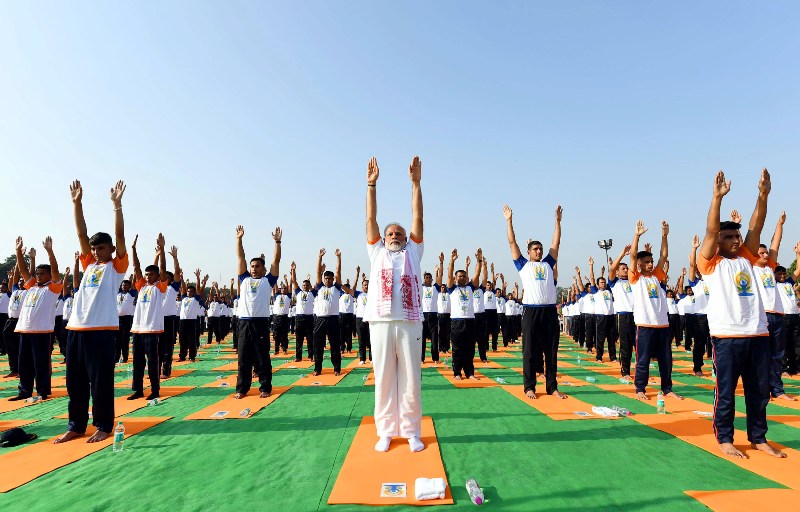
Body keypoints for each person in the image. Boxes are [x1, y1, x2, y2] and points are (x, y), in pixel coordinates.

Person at [697, 169, 785, 458]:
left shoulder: (747, 257)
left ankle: (758, 438)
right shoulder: (710, 263)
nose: (736, 240)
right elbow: (711, 231)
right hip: (727, 337)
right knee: (725, 393)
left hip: (757, 334)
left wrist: (763, 195)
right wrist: (717, 198)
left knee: (759, 393)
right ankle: (725, 438)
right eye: (729, 237)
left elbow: (756, 226)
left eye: (736, 235)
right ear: (718, 242)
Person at [54, 179, 128, 444]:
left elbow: (120, 236)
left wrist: (117, 206)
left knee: (100, 382)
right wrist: (77, 203)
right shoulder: (89, 265)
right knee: (75, 382)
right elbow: (81, 235)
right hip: (76, 328)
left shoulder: (116, 267)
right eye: (94, 249)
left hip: (101, 331)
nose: (96, 252)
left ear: (111, 250)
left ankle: (104, 425)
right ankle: (76, 425)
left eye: (101, 248)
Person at [364, 155, 425, 453]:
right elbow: (370, 220)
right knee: (384, 379)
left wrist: (416, 184)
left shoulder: (414, 252)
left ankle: (412, 431)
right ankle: (386, 431)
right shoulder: (376, 253)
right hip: (381, 322)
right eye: (390, 233)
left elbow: (418, 219)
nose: (394, 236)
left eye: (399, 233)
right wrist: (371, 186)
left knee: (411, 379)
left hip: (410, 322)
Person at [503, 204, 565, 399]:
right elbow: (512, 242)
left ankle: (552, 387)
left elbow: (556, 243)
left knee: (551, 351)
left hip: (549, 312)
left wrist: (557, 222)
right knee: (529, 351)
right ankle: (529, 387)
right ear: (529, 252)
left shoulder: (548, 263)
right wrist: (509, 221)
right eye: (535, 249)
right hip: (531, 311)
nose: (539, 252)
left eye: (540, 249)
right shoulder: (523, 265)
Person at [628, 220, 682, 402]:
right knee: (643, 360)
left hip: (663, 325)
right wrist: (637, 236)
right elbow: (633, 255)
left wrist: (664, 236)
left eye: (651, 262)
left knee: (666, 360)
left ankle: (667, 388)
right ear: (639, 265)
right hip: (645, 325)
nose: (651, 264)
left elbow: (664, 255)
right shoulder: (636, 278)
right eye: (647, 262)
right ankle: (640, 388)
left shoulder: (657, 276)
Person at [11, 236, 63, 401]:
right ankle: (24, 391)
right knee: (24, 363)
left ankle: (42, 391)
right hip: (25, 330)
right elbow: (23, 270)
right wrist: (18, 252)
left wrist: (49, 251)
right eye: (37, 274)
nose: (38, 276)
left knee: (41, 363)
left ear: (49, 275)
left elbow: (55, 270)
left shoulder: (53, 288)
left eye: (42, 274)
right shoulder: (32, 286)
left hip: (42, 332)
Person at [751, 212, 795, 401]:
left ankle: (777, 390)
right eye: (761, 253)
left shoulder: (770, 268)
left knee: (777, 355)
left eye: (765, 253)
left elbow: (775, 244)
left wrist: (780, 224)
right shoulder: (751, 268)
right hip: (762, 316)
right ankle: (761, 390)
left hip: (778, 316)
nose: (765, 255)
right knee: (762, 356)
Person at [234, 225, 281, 399]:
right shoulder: (244, 279)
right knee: (243, 359)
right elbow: (240, 257)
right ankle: (242, 389)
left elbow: (276, 261)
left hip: (260, 323)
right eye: (252, 266)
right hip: (244, 323)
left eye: (257, 266)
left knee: (262, 358)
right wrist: (239, 239)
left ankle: (265, 388)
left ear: (263, 269)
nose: (254, 268)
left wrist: (277, 242)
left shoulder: (268, 281)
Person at [128, 234, 169, 401]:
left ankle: (155, 390)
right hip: (138, 329)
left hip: (152, 330)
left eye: (151, 275)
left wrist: (162, 251)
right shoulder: (142, 287)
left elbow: (163, 268)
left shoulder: (160, 287)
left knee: (153, 362)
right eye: (146, 275)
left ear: (157, 276)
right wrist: (133, 249)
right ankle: (138, 389)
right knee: (137, 362)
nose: (147, 277)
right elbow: (136, 267)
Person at [312, 248, 344, 376]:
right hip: (320, 319)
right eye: (326, 278)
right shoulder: (319, 287)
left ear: (332, 279)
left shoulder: (336, 288)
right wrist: (320, 257)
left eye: (329, 279)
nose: (327, 280)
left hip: (333, 320)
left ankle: (337, 368)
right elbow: (317, 272)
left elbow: (338, 272)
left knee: (335, 345)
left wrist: (338, 258)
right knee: (318, 346)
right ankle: (317, 369)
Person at [775, 243, 800, 376]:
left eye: (784, 273)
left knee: (796, 343)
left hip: (795, 315)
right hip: (783, 316)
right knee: (783, 344)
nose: (783, 275)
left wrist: (798, 254)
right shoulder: (774, 285)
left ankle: (795, 367)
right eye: (779, 273)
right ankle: (783, 368)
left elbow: (798, 269)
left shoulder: (789, 283)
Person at [178, 270, 207, 362]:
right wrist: (181, 277)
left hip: (192, 321)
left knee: (192, 340)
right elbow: (183, 287)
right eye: (188, 291)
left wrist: (198, 277)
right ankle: (182, 356)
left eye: (191, 291)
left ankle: (192, 357)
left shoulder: (196, 299)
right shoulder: (184, 298)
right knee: (182, 340)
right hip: (182, 321)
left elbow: (198, 288)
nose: (189, 292)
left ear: (194, 293)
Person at [290, 262, 314, 362]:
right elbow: (294, 281)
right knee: (299, 338)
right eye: (303, 285)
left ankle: (311, 356)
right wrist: (293, 270)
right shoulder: (298, 292)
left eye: (306, 285)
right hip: (299, 317)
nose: (305, 286)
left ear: (309, 286)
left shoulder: (312, 293)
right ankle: (298, 357)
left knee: (310, 338)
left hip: (309, 318)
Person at [421, 270, 440, 364]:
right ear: (424, 279)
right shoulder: (421, 288)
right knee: (422, 339)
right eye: (426, 278)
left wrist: (437, 271)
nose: (428, 279)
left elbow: (439, 280)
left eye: (429, 278)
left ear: (432, 279)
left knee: (434, 339)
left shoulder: (435, 288)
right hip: (423, 315)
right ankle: (421, 358)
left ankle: (435, 358)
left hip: (433, 315)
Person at [116, 278, 136, 363]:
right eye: (123, 285)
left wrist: (134, 275)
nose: (124, 286)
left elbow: (133, 284)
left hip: (127, 319)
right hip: (117, 319)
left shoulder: (131, 294)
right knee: (117, 340)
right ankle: (116, 357)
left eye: (126, 285)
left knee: (124, 339)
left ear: (129, 286)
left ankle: (125, 357)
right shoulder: (118, 294)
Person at [353, 272, 371, 364]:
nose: (366, 286)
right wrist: (357, 275)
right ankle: (362, 359)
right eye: (364, 285)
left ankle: (372, 358)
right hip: (360, 319)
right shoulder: (358, 294)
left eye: (368, 285)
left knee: (371, 340)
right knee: (361, 340)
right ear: (362, 286)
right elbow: (353, 289)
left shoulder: (373, 294)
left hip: (370, 319)